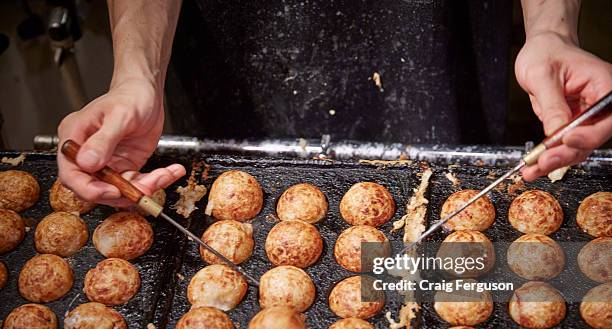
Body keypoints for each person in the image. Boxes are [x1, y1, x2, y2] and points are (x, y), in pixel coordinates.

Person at [58, 0, 612, 205]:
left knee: (455, 219)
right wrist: (137, 72)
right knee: (228, 185)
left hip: (432, 36)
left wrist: (552, 28)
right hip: (237, 50)